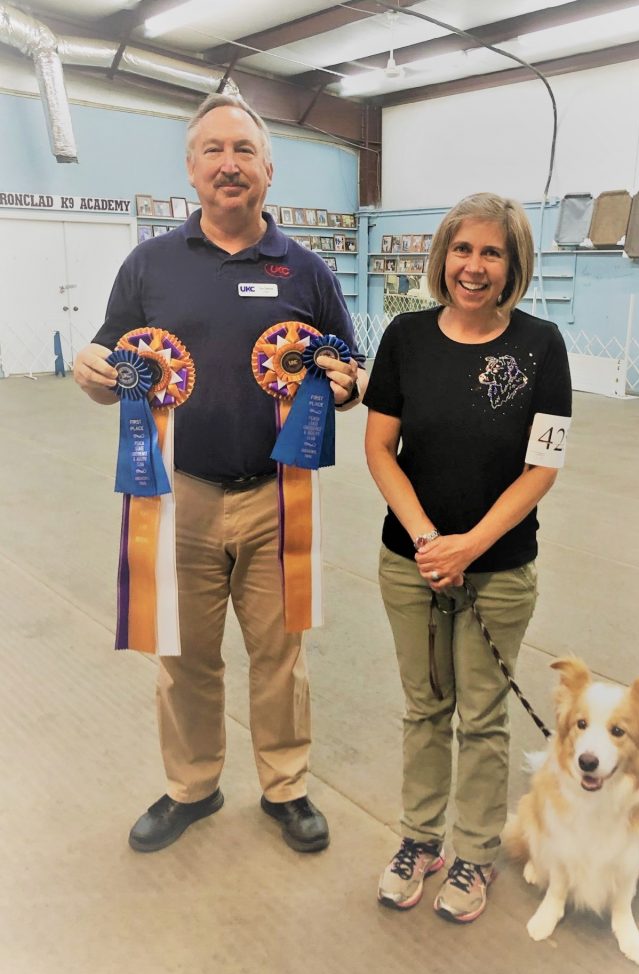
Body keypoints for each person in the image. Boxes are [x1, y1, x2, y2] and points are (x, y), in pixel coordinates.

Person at [73, 93, 366, 855]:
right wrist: (92, 373)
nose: (229, 164)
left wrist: (347, 384)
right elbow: (113, 362)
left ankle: (285, 785)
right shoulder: (149, 265)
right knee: (181, 656)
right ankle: (191, 787)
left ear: (269, 168)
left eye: (243, 150)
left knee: (280, 656)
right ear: (191, 169)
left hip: (275, 495)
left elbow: (350, 364)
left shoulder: (306, 269)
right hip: (178, 497)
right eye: (213, 150)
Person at [363, 192, 572, 924]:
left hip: (499, 569)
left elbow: (542, 467)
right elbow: (378, 449)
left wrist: (471, 545)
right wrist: (427, 540)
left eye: (490, 253)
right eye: (461, 249)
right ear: (440, 256)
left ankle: (476, 852)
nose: (472, 267)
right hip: (411, 564)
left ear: (512, 265)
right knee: (425, 709)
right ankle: (419, 841)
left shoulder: (541, 345)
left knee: (481, 717)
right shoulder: (405, 337)